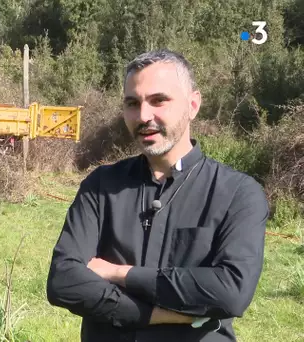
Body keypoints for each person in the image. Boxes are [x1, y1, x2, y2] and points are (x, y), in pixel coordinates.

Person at [46, 49, 269, 342]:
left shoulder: (238, 194)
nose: (143, 116)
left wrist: (119, 273)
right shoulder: (101, 186)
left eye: (158, 100)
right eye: (132, 103)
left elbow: (230, 292)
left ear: (193, 104)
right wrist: (156, 315)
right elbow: (64, 281)